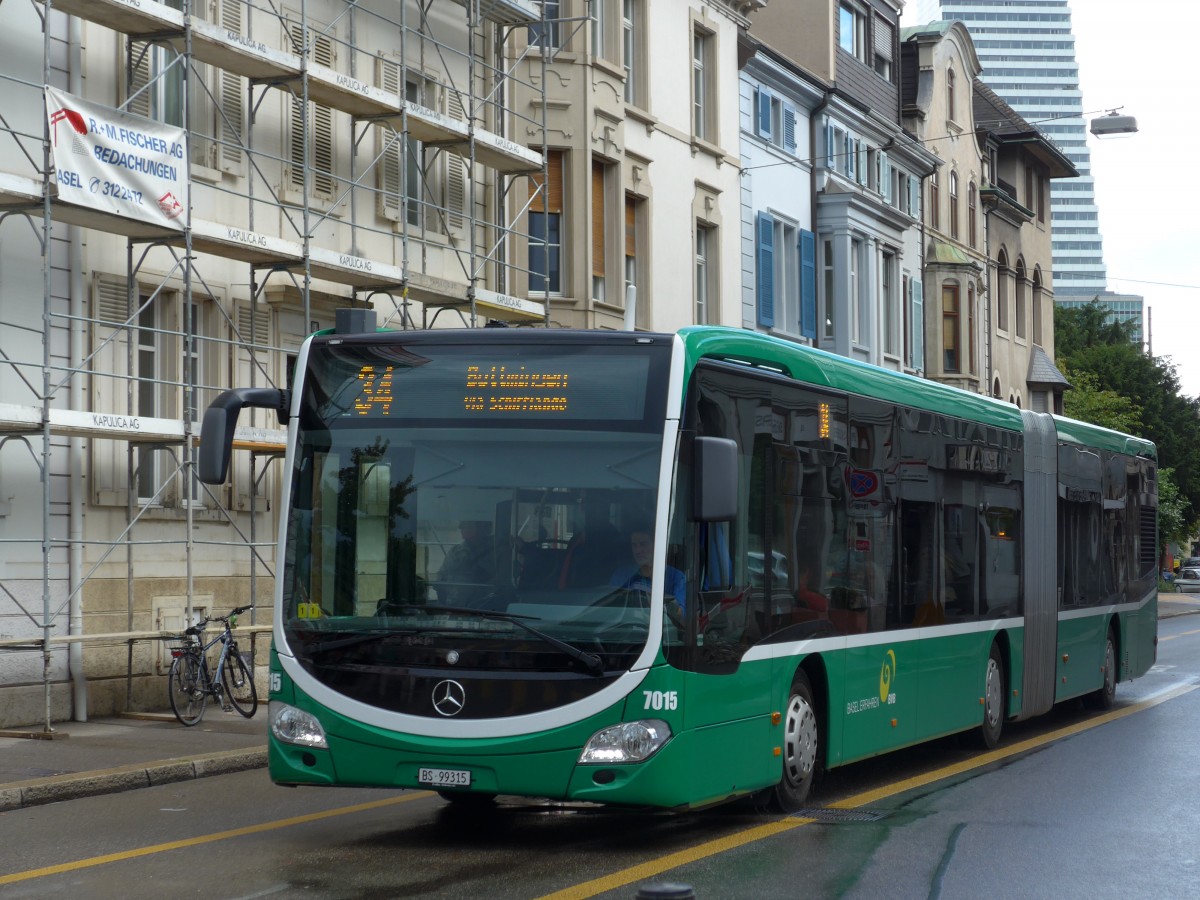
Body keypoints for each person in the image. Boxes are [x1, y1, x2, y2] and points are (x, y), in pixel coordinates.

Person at [609, 524, 686, 618]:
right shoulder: (621, 575)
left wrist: (668, 606)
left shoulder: (676, 577)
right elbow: (610, 607)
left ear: (656, 545)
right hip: (625, 624)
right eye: (634, 545)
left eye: (643, 544)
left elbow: (682, 612)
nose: (638, 550)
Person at [436, 520, 494, 604]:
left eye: (468, 526)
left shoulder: (494, 551)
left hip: (484, 603)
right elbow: (442, 575)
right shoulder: (455, 551)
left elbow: (500, 581)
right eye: (462, 526)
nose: (461, 528)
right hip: (456, 602)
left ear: (481, 528)